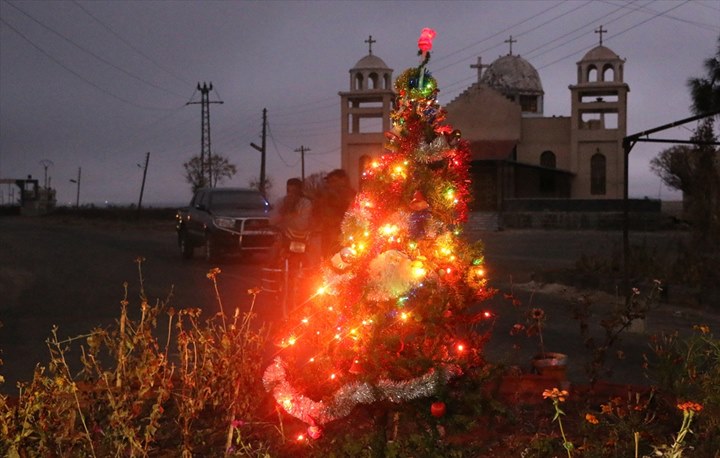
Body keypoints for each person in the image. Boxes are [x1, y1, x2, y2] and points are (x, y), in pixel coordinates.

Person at [267, 178, 313, 266]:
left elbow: (303, 224)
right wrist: (283, 211)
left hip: (301, 237)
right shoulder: (280, 202)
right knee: (275, 249)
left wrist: (289, 216)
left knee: (310, 256)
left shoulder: (306, 203)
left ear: (300, 191)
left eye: (294, 191)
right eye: (289, 190)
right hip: (284, 236)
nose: (291, 194)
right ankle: (271, 272)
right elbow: (272, 221)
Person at [318, 169, 356, 258]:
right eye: (330, 181)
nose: (331, 184)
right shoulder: (326, 196)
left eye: (334, 181)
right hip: (328, 233)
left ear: (343, 180)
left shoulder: (349, 196)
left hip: (343, 235)